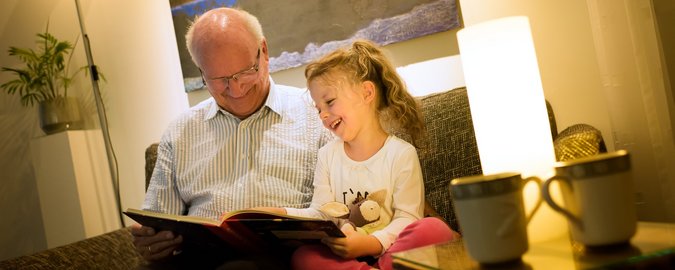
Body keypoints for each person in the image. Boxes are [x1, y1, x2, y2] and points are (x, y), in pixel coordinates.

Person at [130, 7, 331, 269]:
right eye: (220, 79)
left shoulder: (317, 114)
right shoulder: (180, 132)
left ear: (264, 52)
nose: (236, 90)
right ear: (202, 73)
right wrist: (154, 243)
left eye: (245, 71)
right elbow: (157, 222)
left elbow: (341, 206)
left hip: (288, 260)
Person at [256, 40, 458, 270]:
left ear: (366, 92)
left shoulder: (401, 154)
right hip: (348, 258)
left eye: (329, 102)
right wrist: (282, 214)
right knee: (304, 256)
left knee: (433, 228)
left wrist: (371, 243)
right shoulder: (327, 156)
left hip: (391, 251)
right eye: (318, 108)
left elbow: (407, 218)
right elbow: (321, 212)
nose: (323, 115)